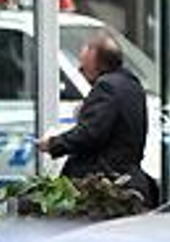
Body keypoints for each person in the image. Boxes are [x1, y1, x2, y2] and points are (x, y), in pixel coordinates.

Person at [40, 30, 155, 206]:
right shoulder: (132, 84)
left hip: (104, 183)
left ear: (98, 64)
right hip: (128, 178)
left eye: (83, 64)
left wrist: (53, 144)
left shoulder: (106, 87)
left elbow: (91, 133)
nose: (80, 70)